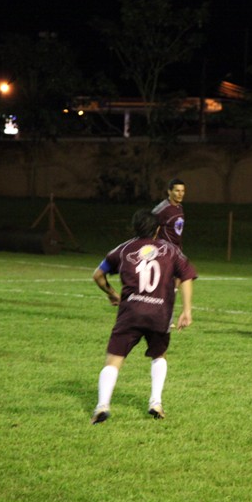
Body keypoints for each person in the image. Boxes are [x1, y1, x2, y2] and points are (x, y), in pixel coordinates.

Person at [91, 209, 197, 424]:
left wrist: (112, 293)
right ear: (158, 229)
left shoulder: (123, 249)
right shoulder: (171, 250)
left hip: (131, 313)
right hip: (159, 313)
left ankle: (102, 405)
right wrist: (187, 310)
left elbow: (98, 275)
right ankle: (155, 402)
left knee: (114, 360)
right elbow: (187, 276)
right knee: (160, 355)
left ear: (134, 228)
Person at [152, 178, 186, 249]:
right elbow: (149, 227)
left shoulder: (179, 207)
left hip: (176, 249)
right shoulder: (162, 209)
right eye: (177, 191)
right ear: (169, 192)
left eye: (182, 191)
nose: (180, 194)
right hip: (165, 250)